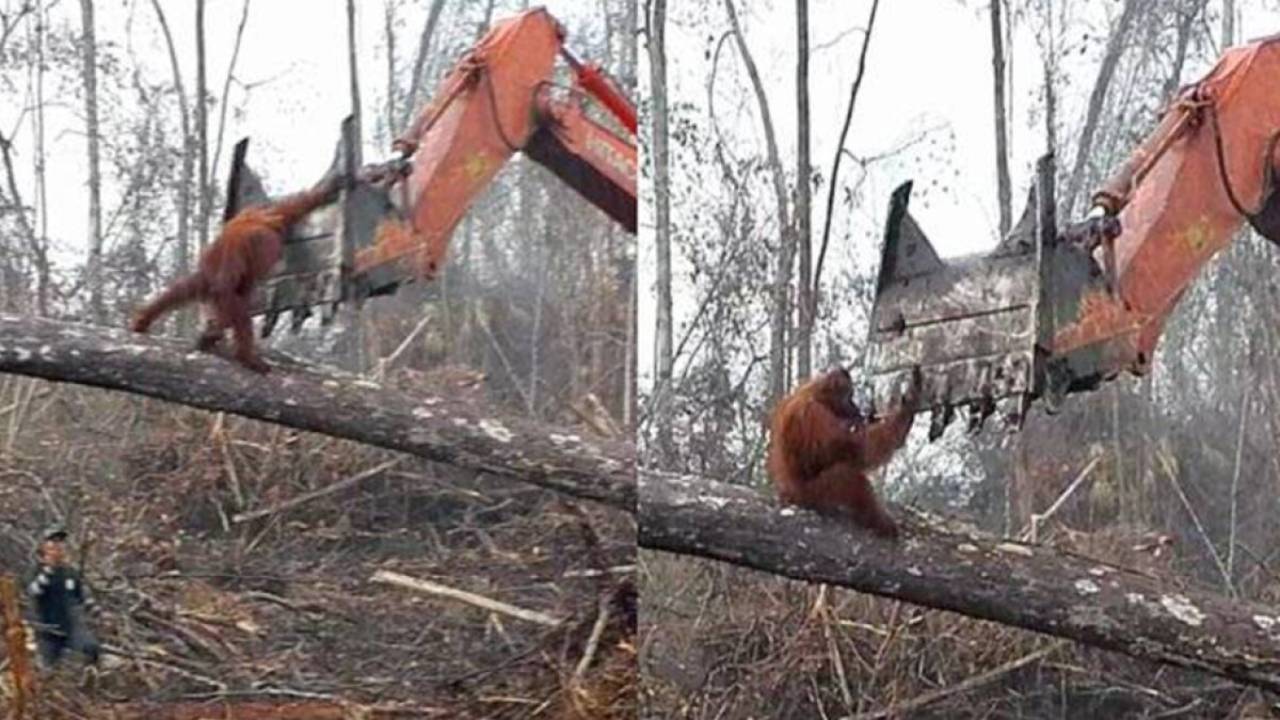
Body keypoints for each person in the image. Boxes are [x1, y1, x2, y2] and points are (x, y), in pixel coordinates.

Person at [25, 525, 101, 670]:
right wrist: (49, 570)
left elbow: (81, 595)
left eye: (60, 543)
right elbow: (34, 592)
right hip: (46, 629)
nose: (58, 547)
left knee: (91, 648)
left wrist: (94, 609)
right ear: (44, 548)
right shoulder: (36, 572)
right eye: (53, 543)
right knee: (48, 667)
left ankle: (88, 678)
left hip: (70, 625)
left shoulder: (69, 573)